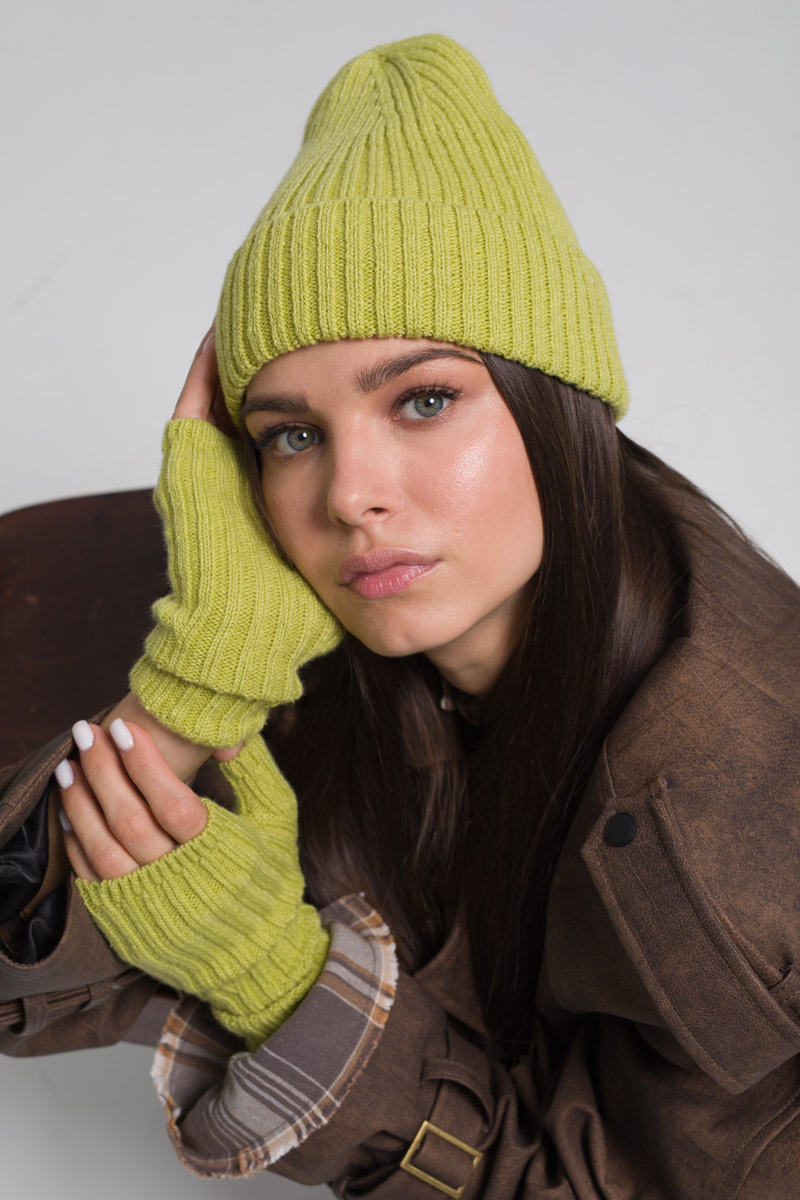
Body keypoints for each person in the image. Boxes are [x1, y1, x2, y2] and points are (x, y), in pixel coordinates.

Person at [2, 32, 800, 1198]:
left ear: (557, 409)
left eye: (423, 400)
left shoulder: (754, 814)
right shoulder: (266, 634)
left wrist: (282, 985)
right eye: (291, 434)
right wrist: (196, 683)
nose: (347, 494)